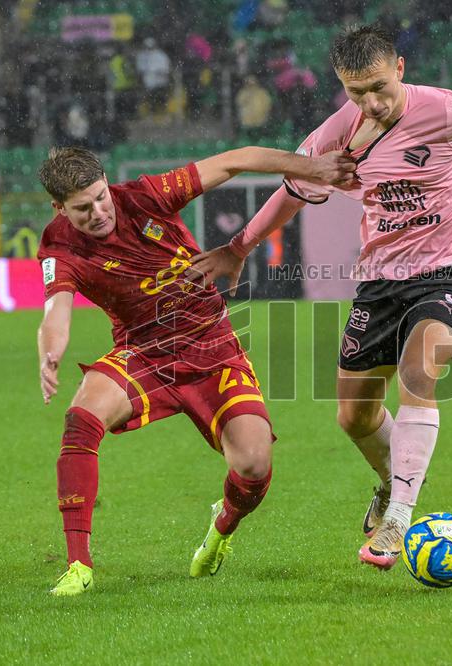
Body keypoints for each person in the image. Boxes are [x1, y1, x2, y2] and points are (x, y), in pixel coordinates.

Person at [189, 25, 452, 571]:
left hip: (449, 273)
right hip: (380, 283)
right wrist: (238, 247)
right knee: (354, 417)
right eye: (355, 91)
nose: (370, 102)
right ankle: (391, 484)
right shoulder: (340, 133)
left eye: (378, 87)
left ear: (402, 68)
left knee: (421, 370)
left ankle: (399, 521)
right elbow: (293, 191)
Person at [37, 145, 357, 595]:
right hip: (144, 351)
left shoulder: (146, 196)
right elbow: (57, 310)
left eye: (101, 197)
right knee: (81, 419)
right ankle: (78, 565)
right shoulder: (58, 245)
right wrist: (51, 352)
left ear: (108, 184)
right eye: (82, 208)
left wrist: (315, 168)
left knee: (253, 463)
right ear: (58, 208)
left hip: (212, 344)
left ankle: (222, 526)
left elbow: (237, 159)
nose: (98, 212)